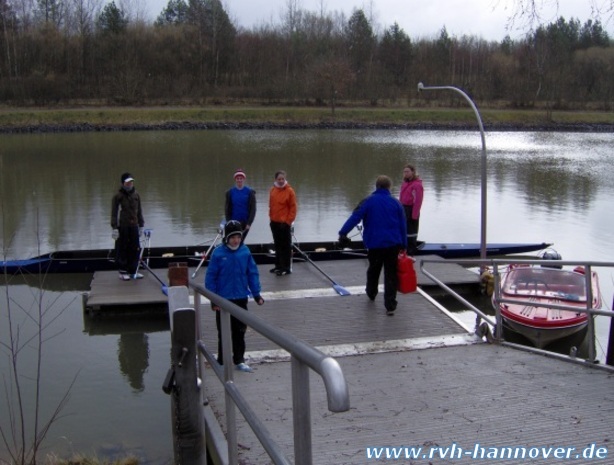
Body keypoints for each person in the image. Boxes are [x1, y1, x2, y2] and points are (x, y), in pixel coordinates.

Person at [338, 175, 407, 315]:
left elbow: (355, 217)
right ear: (389, 187)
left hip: (375, 243)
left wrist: (343, 232)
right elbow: (403, 226)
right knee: (391, 274)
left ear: (376, 186)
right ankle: (390, 305)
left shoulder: (368, 201)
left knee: (374, 269)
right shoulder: (396, 203)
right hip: (393, 243)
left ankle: (371, 292)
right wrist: (404, 245)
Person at [205, 220, 265, 372]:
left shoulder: (245, 252)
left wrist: (256, 294)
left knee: (240, 331)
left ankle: (239, 360)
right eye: (232, 237)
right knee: (223, 332)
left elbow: (252, 274)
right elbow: (211, 278)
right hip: (222, 300)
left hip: (240, 298)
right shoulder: (218, 253)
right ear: (227, 238)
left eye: (238, 237)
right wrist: (213, 300)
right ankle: (222, 361)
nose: (236, 240)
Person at [111, 172, 145, 280]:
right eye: (127, 182)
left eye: (131, 182)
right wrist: (114, 228)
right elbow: (114, 213)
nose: (130, 184)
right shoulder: (118, 196)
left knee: (135, 248)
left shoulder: (136, 195)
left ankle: (133, 270)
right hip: (123, 226)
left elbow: (139, 211)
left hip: (134, 225)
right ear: (123, 183)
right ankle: (122, 271)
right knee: (123, 247)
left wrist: (141, 225)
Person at [268, 170, 297, 276]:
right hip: (274, 222)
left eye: (282, 179)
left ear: (285, 179)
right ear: (275, 179)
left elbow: (293, 208)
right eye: (279, 179)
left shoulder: (290, 191)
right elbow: (271, 206)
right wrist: (271, 218)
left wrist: (288, 222)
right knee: (277, 245)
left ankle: (286, 268)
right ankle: (278, 266)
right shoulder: (272, 190)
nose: (281, 181)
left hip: (284, 223)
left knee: (285, 246)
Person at [225, 168, 256, 242]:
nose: (239, 180)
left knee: (241, 241)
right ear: (235, 179)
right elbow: (227, 209)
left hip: (245, 222)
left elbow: (253, 209)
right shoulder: (230, 192)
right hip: (233, 222)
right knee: (234, 241)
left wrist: (249, 223)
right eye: (237, 178)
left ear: (243, 179)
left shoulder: (250, 192)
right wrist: (228, 221)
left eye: (241, 178)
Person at [399, 164, 424, 255]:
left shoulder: (417, 185)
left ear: (413, 172)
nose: (405, 173)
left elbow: (418, 201)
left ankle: (411, 251)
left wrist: (414, 215)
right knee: (402, 230)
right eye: (404, 172)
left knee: (411, 232)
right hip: (403, 208)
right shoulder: (405, 183)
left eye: (407, 171)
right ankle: (402, 250)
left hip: (411, 210)